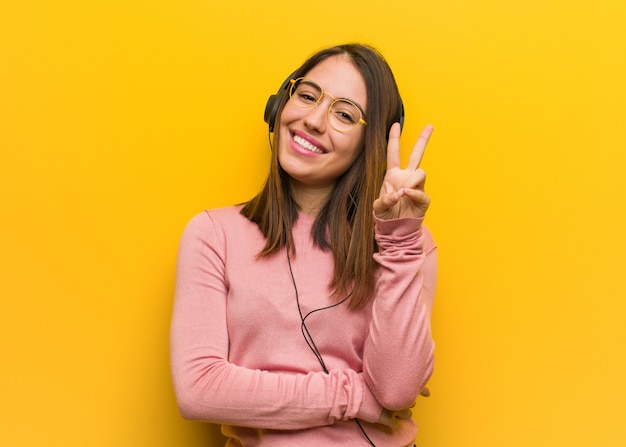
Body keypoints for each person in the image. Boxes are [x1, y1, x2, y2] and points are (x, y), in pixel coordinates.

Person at [170, 43, 437, 447]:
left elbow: (397, 390)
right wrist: (358, 396)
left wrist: (398, 239)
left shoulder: (404, 241)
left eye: (344, 114)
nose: (313, 120)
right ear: (279, 105)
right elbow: (199, 389)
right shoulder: (213, 234)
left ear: (371, 146)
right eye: (308, 96)